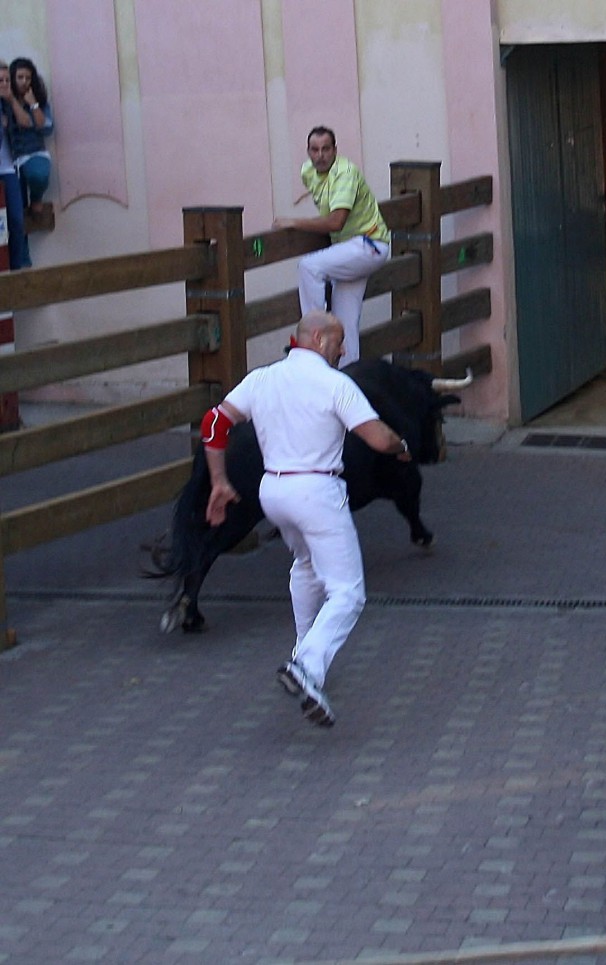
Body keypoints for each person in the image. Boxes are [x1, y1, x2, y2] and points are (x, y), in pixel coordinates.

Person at [202, 311, 411, 726]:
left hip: (274, 491)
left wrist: (219, 481)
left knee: (307, 565)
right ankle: (308, 667)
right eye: (338, 342)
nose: (344, 350)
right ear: (317, 339)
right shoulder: (336, 384)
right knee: (348, 592)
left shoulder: (262, 379)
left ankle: (302, 651)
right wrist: (401, 445)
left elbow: (214, 423)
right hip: (316, 491)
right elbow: (377, 437)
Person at [273, 126, 390, 367]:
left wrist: (293, 222)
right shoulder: (307, 171)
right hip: (350, 251)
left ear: (335, 150)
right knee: (346, 323)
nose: (320, 155)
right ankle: (350, 381)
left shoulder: (345, 173)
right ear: (308, 152)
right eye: (314, 150)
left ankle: (311, 339)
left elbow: (336, 221)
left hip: (368, 244)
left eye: (326, 149)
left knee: (309, 267)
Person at [7, 57, 52, 214]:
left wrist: (33, 104)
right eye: (20, 77)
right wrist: (12, 100)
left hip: (34, 153)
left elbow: (46, 127)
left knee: (38, 175)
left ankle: (36, 198)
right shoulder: (5, 101)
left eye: (28, 77)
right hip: (11, 161)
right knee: (15, 211)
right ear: (13, 78)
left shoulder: (39, 101)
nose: (24, 81)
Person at [0, 62, 31, 268]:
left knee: (16, 221)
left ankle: (16, 269)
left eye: (6, 80)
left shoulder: (9, 103)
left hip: (8, 169)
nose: (3, 84)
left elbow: (26, 122)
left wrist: (11, 100)